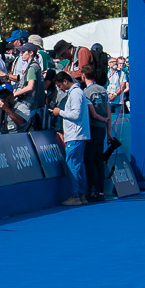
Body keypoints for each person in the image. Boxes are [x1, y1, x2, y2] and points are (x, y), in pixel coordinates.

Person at [50, 71, 89, 205]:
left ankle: (75, 196)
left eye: (59, 85)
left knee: (72, 165)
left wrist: (59, 112)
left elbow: (75, 115)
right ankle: (81, 195)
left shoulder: (76, 93)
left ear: (66, 81)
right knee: (78, 165)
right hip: (77, 134)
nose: (59, 88)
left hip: (75, 134)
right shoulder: (76, 93)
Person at [82, 68, 111, 202]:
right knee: (99, 160)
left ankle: (94, 189)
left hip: (92, 127)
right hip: (102, 129)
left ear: (83, 76)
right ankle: (101, 190)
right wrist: (108, 130)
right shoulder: (103, 90)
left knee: (89, 159)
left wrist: (103, 120)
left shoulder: (86, 92)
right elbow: (108, 112)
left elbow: (93, 114)